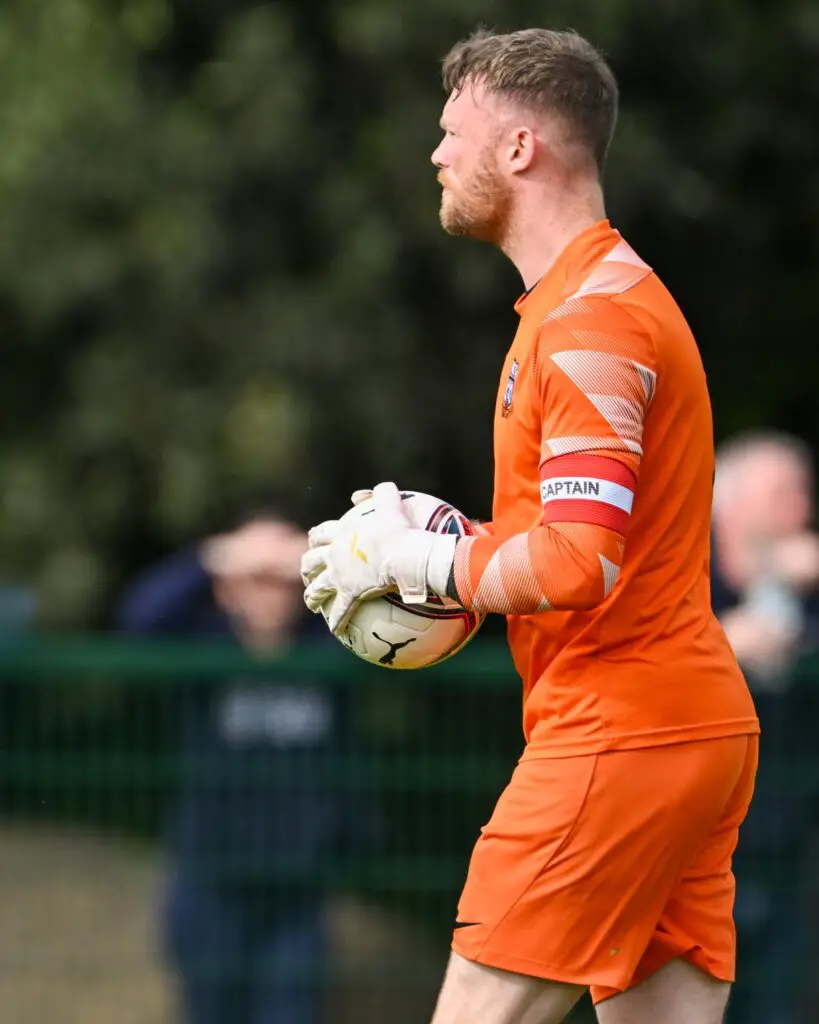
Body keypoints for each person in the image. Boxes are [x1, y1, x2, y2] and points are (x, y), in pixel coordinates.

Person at [300, 27, 759, 1024]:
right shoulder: (579, 302)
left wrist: (414, 556)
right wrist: (459, 545)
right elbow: (571, 536)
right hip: (681, 722)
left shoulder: (593, 319)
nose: (436, 155)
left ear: (519, 148)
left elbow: (578, 561)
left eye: (451, 131)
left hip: (621, 730)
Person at [117, 510, 374, 1024]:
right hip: (210, 880)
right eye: (254, 579)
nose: (269, 592)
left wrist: (322, 554)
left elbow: (401, 624)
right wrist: (217, 555)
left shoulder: (332, 645)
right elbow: (139, 617)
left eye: (281, 580)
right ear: (227, 589)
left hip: (297, 891)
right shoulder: (201, 646)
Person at [711, 432, 819, 1023]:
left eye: (803, 493)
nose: (801, 510)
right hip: (696, 831)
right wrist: (724, 643)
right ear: (731, 504)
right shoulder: (678, 567)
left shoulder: (808, 580)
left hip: (790, 843)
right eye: (783, 493)